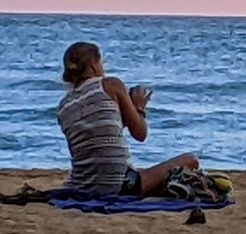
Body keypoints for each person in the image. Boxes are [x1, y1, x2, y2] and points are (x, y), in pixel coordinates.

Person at [57, 41, 199, 197]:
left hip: (82, 186)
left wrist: (124, 111)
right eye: (101, 63)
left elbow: (98, 132)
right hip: (120, 185)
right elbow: (140, 134)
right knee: (191, 160)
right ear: (93, 64)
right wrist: (139, 108)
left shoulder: (64, 106)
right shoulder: (111, 85)